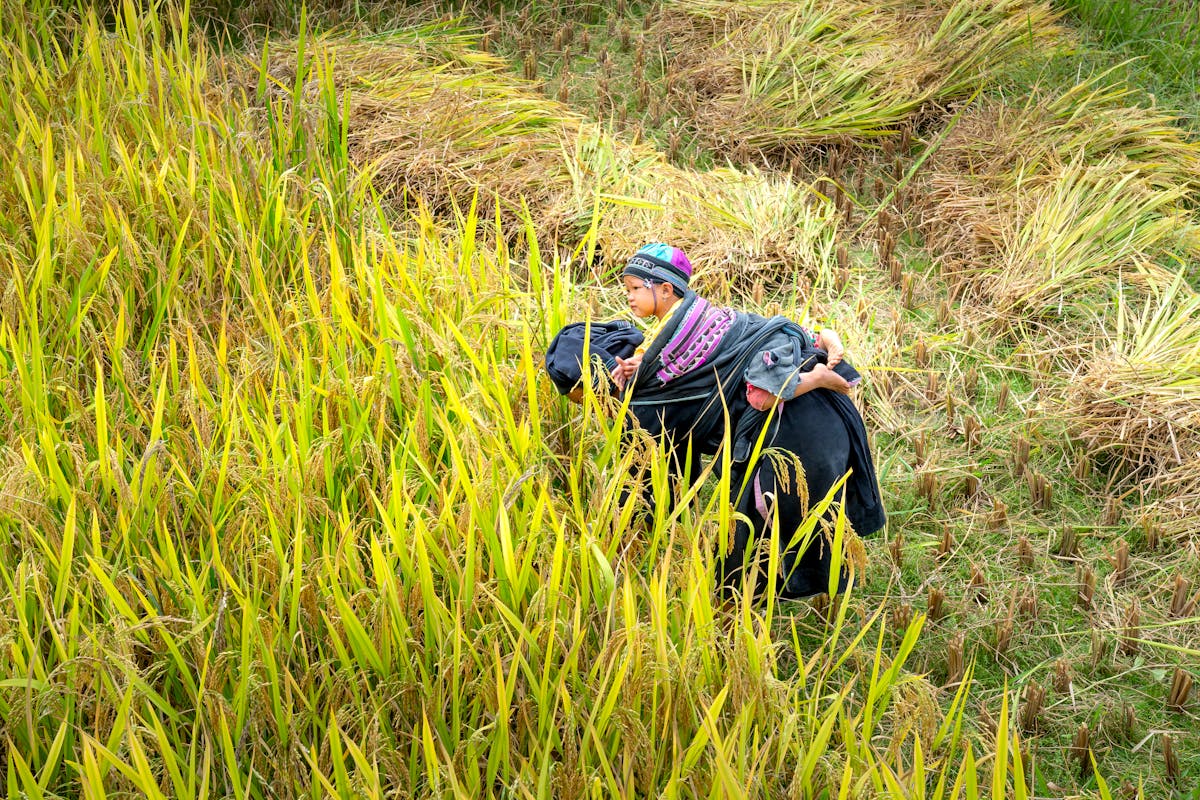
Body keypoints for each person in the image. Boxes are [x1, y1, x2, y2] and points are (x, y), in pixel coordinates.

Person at [546, 243, 885, 600]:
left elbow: (650, 482)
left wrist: (628, 537)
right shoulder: (671, 335)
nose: (628, 297)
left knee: (755, 541)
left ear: (664, 289)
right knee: (782, 530)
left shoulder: (659, 374)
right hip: (812, 415)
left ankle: (740, 615)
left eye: (634, 288)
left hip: (795, 429)